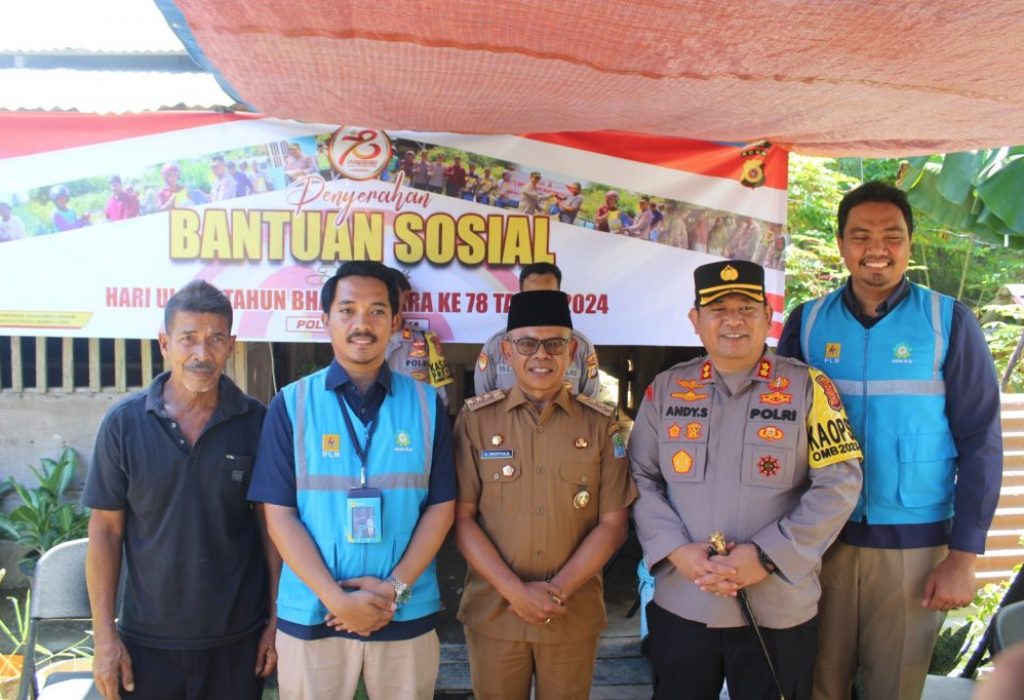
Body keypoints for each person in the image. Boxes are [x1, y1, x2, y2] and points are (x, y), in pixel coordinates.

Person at [776, 181, 1003, 700]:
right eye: (861, 235)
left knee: (894, 687)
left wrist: (963, 558)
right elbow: (777, 431)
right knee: (815, 683)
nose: (876, 248)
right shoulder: (807, 322)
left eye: (891, 235)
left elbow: (982, 442)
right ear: (840, 244)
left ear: (910, 243)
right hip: (819, 540)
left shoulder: (948, 323)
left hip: (915, 547)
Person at [629, 259, 863, 699]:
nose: (733, 320)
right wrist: (677, 551)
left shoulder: (809, 388)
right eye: (717, 309)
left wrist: (766, 556)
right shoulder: (666, 390)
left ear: (768, 318)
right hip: (685, 598)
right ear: (695, 321)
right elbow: (640, 477)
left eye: (747, 308)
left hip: (776, 606)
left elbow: (839, 484)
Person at [248, 261, 456, 699]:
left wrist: (394, 591)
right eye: (347, 310)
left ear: (396, 322)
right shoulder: (291, 405)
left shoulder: (427, 405)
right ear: (325, 320)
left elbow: (442, 507)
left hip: (404, 611)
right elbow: (279, 516)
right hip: (314, 614)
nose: (362, 324)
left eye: (378, 311)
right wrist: (335, 599)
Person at [83, 280, 279, 700]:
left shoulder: (256, 422)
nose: (201, 354)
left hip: (237, 638)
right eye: (188, 338)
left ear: (232, 345)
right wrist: (105, 640)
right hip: (145, 640)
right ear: (164, 342)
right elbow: (104, 532)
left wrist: (275, 621)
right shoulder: (124, 423)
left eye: (215, 339)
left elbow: (273, 529)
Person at [454, 289, 636, 700]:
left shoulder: (601, 426)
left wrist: (555, 592)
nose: (541, 355)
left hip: (570, 613)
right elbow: (462, 519)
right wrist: (516, 593)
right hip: (495, 614)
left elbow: (613, 523)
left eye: (554, 344)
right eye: (527, 344)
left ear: (571, 351)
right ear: (507, 351)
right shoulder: (475, 421)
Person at [475, 263, 601, 398]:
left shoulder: (580, 346)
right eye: (532, 297)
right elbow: (484, 405)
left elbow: (590, 407)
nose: (540, 304)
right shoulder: (496, 345)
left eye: (548, 296)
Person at [385, 268, 454, 410]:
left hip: (416, 425)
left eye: (391, 291)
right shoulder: (365, 340)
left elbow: (442, 396)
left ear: (405, 296)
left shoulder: (428, 340)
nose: (385, 297)